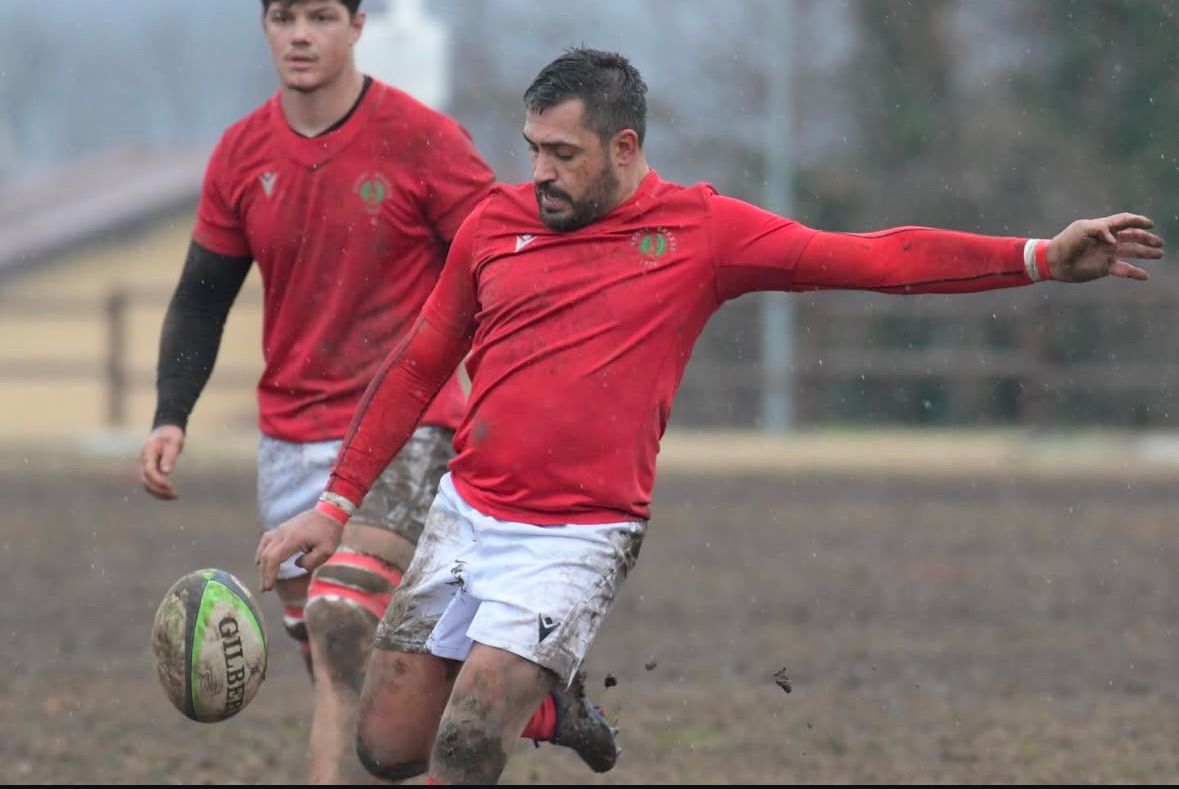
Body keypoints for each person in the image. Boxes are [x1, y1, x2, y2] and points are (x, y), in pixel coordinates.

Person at [254, 47, 1166, 784]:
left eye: (562, 154)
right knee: (387, 749)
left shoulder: (700, 233)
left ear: (624, 148)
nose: (540, 174)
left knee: (461, 747)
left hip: (578, 533)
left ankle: (519, 689)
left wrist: (1040, 255)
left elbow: (877, 258)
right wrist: (333, 506)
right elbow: (417, 365)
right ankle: (551, 703)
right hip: (466, 512)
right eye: (532, 149)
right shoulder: (497, 225)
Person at [138, 6, 617, 783]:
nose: (300, 34)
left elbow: (504, 251)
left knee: (340, 623)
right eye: (283, 15)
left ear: (358, 25)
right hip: (289, 441)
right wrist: (170, 413)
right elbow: (201, 295)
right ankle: (539, 710)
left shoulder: (421, 139)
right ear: (262, 25)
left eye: (320, 15)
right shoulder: (240, 153)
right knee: (370, 693)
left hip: (408, 429)